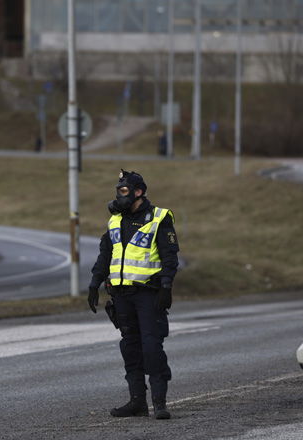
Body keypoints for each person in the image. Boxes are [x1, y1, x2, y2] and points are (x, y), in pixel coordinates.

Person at [88, 170, 179, 420]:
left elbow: (170, 258)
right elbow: (105, 255)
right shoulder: (115, 220)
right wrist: (94, 284)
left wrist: (166, 287)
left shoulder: (159, 218)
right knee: (130, 349)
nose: (119, 195)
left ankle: (159, 402)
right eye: (118, 191)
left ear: (139, 192)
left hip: (149, 295)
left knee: (152, 348)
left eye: (124, 191)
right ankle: (137, 402)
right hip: (122, 295)